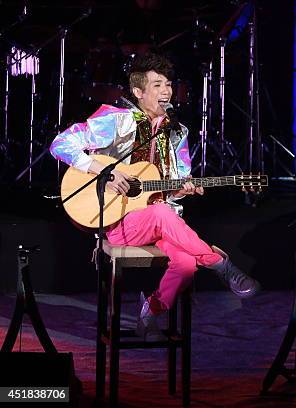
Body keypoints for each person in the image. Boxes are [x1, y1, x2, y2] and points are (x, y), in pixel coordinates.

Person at [50, 53, 260, 340]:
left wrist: (183, 188)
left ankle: (150, 312)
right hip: (116, 220)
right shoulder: (116, 120)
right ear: (138, 92)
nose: (166, 91)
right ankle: (220, 264)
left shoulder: (176, 132)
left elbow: (168, 187)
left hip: (157, 218)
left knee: (185, 263)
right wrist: (105, 171)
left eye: (169, 85)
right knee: (163, 214)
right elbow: (61, 143)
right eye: (157, 85)